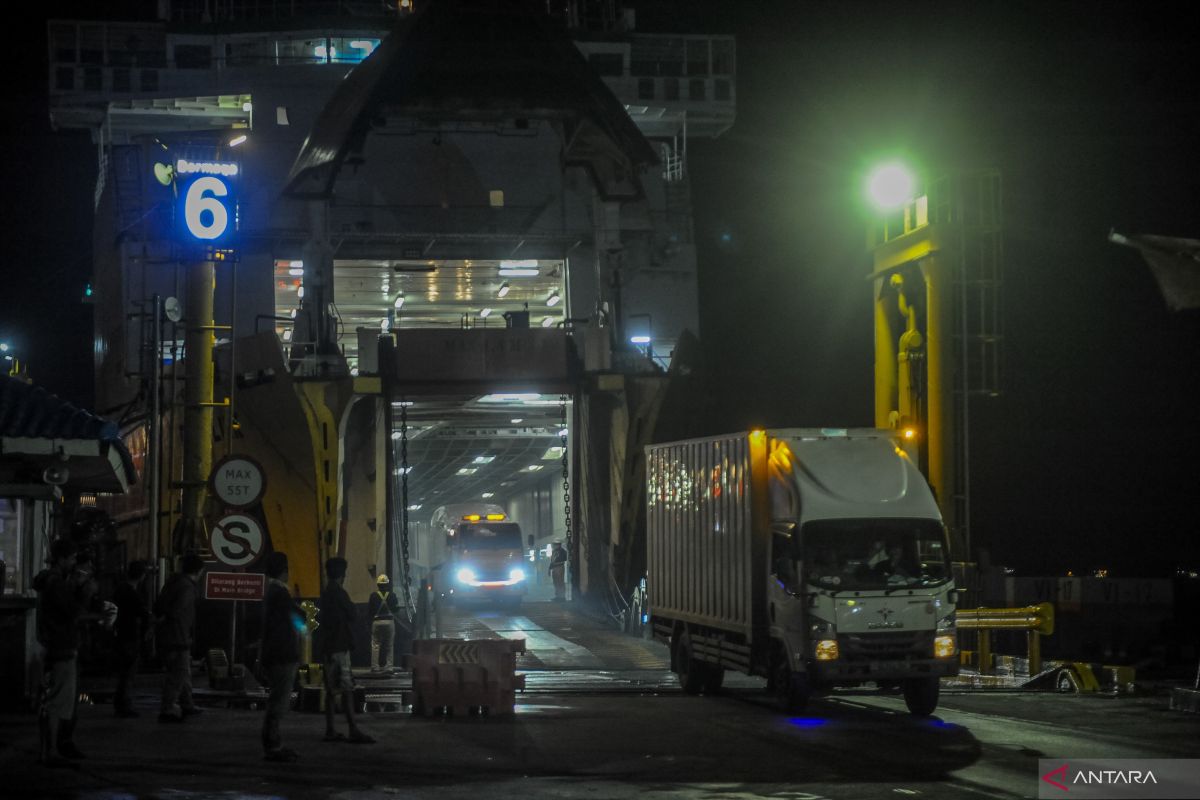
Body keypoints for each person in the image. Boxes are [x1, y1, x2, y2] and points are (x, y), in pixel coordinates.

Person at [33, 538, 88, 766]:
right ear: (63, 558)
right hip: (61, 646)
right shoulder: (57, 584)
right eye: (73, 558)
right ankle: (51, 751)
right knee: (57, 702)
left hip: (52, 645)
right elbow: (71, 612)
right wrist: (82, 591)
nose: (74, 562)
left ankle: (49, 749)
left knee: (52, 701)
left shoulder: (48, 581)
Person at [317, 557, 374, 744]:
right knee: (347, 689)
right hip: (340, 647)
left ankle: (330, 729)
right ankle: (353, 729)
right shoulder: (340, 593)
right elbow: (353, 613)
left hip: (327, 647)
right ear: (343, 574)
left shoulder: (325, 594)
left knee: (331, 691)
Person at [260, 551, 303, 762]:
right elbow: (298, 620)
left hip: (272, 653)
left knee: (275, 700)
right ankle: (273, 745)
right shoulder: (280, 593)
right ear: (283, 571)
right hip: (282, 654)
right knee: (279, 702)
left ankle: (272, 743)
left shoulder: (269, 592)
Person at [155, 554, 205, 723]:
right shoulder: (187, 588)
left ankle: (187, 703)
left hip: (168, 635)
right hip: (178, 636)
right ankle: (167, 708)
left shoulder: (172, 582)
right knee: (179, 672)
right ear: (199, 571)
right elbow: (178, 611)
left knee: (184, 672)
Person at [112, 560, 152, 718]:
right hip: (130, 635)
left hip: (120, 633)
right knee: (129, 673)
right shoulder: (132, 593)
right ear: (142, 576)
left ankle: (120, 703)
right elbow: (142, 613)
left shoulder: (119, 590)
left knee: (123, 672)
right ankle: (124, 705)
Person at [367, 574, 401, 672]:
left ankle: (375, 667)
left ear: (378, 585)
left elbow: (370, 611)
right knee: (389, 645)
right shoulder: (392, 595)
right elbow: (395, 610)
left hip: (377, 622)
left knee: (375, 645)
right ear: (387, 584)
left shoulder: (373, 596)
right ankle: (389, 667)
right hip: (389, 621)